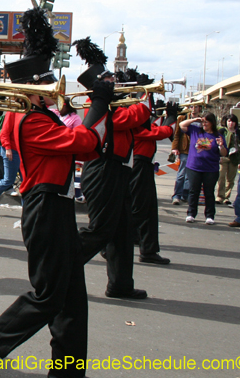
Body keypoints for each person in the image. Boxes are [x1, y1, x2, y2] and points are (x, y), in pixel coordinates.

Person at [0, 8, 112, 378]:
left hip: (56, 208)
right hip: (44, 209)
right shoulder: (30, 121)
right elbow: (84, 141)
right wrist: (99, 103)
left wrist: (100, 102)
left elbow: (89, 145)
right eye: (45, 85)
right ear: (31, 90)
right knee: (49, 296)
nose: (52, 91)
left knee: (73, 303)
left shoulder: (41, 116)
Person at [73, 39, 150, 300]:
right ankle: (61, 266)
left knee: (122, 231)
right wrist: (144, 99)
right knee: (101, 230)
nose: (114, 83)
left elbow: (140, 128)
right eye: (109, 81)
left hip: (117, 171)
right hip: (103, 170)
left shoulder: (113, 103)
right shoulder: (98, 107)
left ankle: (120, 284)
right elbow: (134, 118)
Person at [130, 99, 178, 265]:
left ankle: (144, 245)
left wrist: (157, 112)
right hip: (139, 164)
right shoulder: (133, 123)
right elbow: (161, 132)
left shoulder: (137, 120)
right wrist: (171, 116)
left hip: (142, 164)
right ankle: (145, 248)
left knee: (145, 208)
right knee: (142, 208)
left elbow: (153, 126)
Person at [180, 112, 227, 225]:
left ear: (212, 123)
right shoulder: (195, 131)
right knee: (193, 191)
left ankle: (210, 215)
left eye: (207, 122)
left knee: (209, 192)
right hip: (194, 167)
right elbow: (182, 125)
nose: (204, 124)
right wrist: (194, 119)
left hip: (210, 168)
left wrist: (221, 145)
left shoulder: (218, 136)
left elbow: (224, 153)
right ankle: (191, 214)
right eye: (203, 122)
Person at [171, 104, 201, 205]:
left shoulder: (201, 120)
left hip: (196, 151)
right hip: (184, 149)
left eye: (196, 107)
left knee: (190, 175)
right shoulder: (182, 118)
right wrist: (175, 148)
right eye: (191, 107)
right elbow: (177, 134)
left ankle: (186, 194)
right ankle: (177, 195)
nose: (194, 109)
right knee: (181, 174)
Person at [217, 114, 240, 205]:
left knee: (230, 179)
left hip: (234, 158)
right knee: (221, 177)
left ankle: (226, 197)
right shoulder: (222, 131)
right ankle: (220, 196)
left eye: (232, 121)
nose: (231, 123)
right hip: (223, 157)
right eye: (229, 121)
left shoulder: (238, 132)